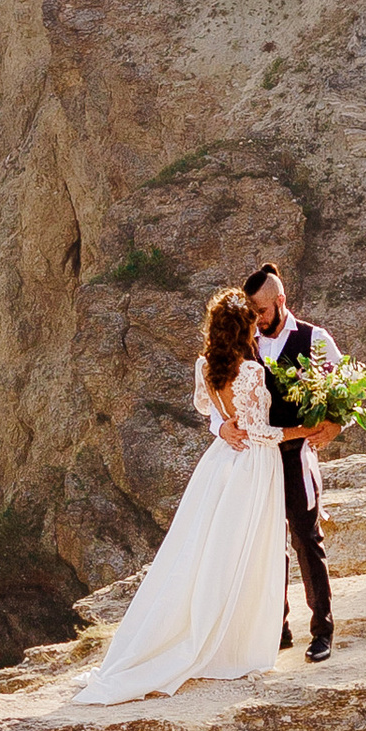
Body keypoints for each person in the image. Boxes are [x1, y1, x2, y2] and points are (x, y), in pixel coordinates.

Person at [72, 288, 313, 704]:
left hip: (220, 464)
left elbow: (209, 410)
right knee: (249, 551)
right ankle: (231, 645)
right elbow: (259, 431)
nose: (258, 324)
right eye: (252, 320)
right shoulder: (253, 372)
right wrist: (305, 429)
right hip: (254, 466)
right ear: (243, 327)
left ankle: (217, 631)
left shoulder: (205, 367)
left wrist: (223, 428)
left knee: (209, 549)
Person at [246, 265, 343, 662]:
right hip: (256, 460)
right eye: (252, 312)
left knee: (306, 541)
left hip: (295, 457)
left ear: (281, 302)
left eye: (262, 311)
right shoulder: (245, 341)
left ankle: (322, 631)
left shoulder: (314, 339)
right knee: (268, 546)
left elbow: (344, 392)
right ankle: (277, 629)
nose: (257, 319)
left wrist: (335, 426)